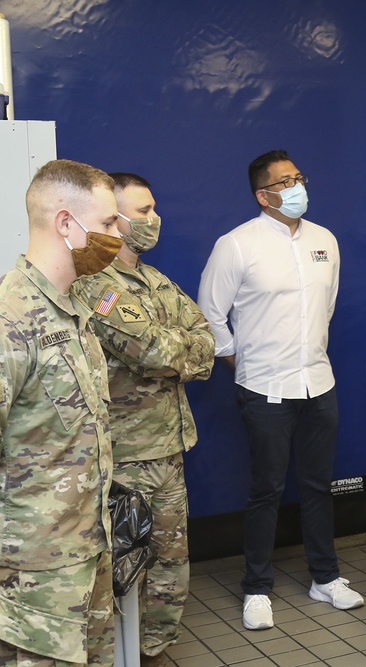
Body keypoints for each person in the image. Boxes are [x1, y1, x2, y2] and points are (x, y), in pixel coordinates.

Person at [198, 149, 363, 631]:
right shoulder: (237, 244)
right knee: (266, 490)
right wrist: (238, 358)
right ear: (263, 195)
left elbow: (325, 307)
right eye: (285, 181)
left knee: (317, 486)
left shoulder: (325, 240)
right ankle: (256, 587)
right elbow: (210, 313)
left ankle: (325, 577)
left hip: (319, 382)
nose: (297, 188)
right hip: (264, 386)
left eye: (299, 178)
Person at [71, 173, 214, 665]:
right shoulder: (95, 285)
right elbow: (152, 350)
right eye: (139, 211)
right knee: (121, 569)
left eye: (153, 208)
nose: (151, 219)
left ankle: (154, 651)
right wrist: (175, 348)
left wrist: (177, 347)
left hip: (169, 449)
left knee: (170, 567)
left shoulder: (155, 281)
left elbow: (205, 336)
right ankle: (121, 654)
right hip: (125, 455)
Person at [0, 159, 122, 666]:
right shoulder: (11, 317)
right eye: (110, 223)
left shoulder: (73, 309)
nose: (119, 235)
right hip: (33, 577)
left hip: (88, 552)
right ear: (66, 223)